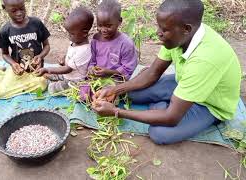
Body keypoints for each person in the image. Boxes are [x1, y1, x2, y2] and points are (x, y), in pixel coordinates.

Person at [92, 0, 241, 145]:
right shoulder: (179, 36)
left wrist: (116, 111)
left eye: (164, 30)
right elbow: (153, 73)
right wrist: (114, 89)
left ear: (186, 29)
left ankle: (168, 106)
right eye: (159, 27)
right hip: (183, 83)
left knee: (160, 133)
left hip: (208, 104)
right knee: (132, 93)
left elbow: (171, 118)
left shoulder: (205, 59)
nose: (158, 33)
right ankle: (167, 105)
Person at [0, 0, 50, 98]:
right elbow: (5, 54)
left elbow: (46, 46)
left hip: (36, 70)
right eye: (14, 11)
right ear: (5, 8)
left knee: (42, 86)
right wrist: (13, 64)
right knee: (0, 93)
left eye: (22, 8)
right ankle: (1, 75)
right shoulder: (5, 30)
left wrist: (40, 56)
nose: (19, 13)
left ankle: (19, 85)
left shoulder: (36, 23)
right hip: (18, 71)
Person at [35, 7, 94, 94]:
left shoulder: (83, 50)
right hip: (68, 74)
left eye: (71, 34)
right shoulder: (75, 42)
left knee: (51, 89)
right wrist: (64, 59)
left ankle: (75, 90)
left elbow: (68, 69)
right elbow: (70, 59)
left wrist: (47, 69)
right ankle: (57, 79)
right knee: (54, 75)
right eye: (68, 33)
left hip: (75, 80)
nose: (68, 36)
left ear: (84, 33)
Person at [87, 0, 138, 81]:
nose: (103, 30)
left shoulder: (126, 43)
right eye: (100, 25)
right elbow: (92, 61)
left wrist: (110, 72)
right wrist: (91, 68)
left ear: (119, 21)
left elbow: (129, 69)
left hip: (117, 81)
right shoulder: (95, 40)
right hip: (96, 79)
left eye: (108, 26)